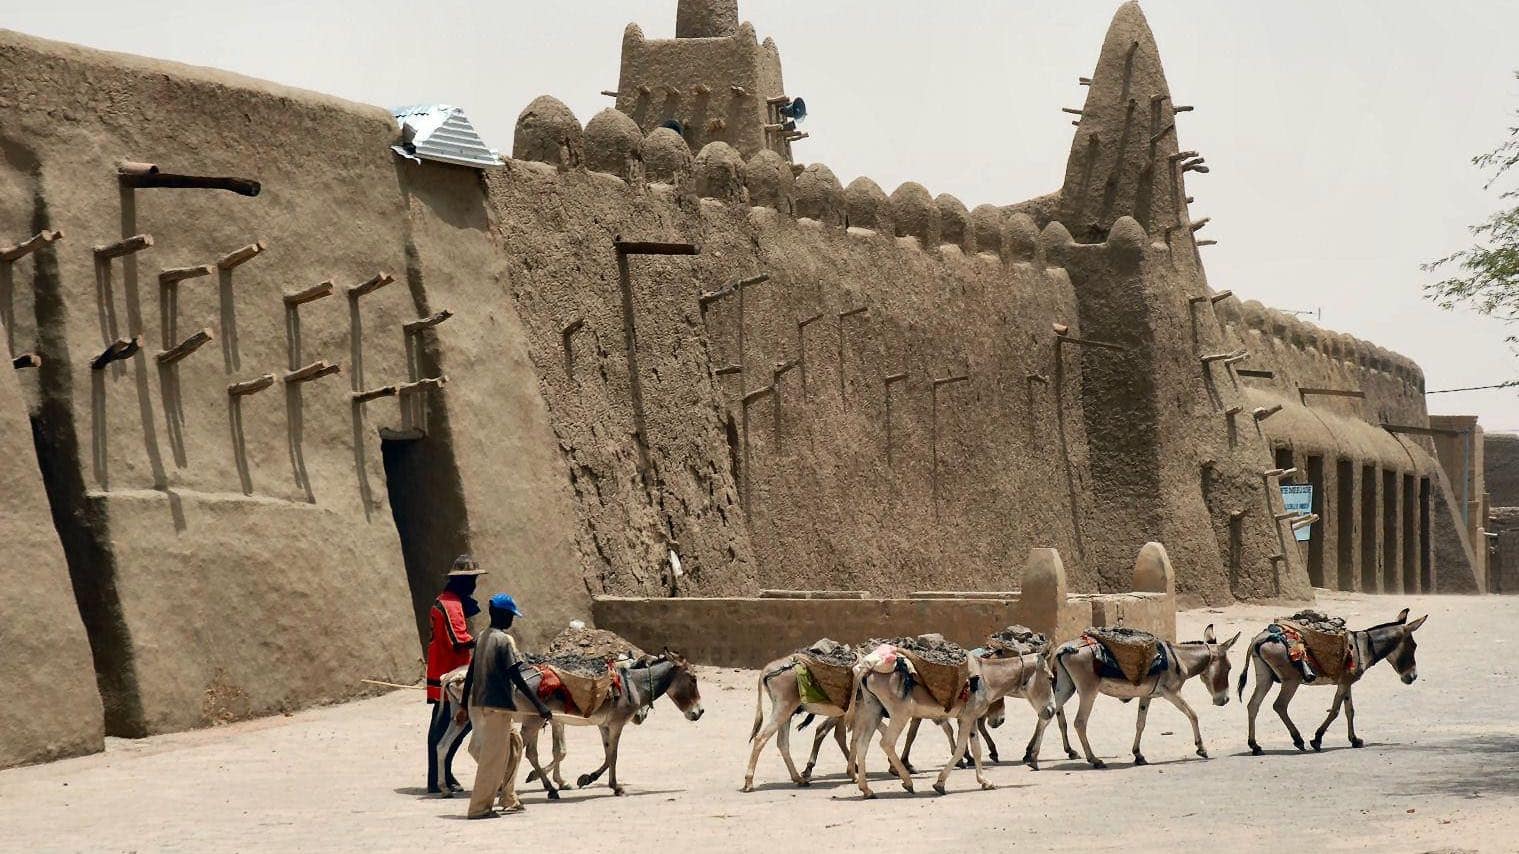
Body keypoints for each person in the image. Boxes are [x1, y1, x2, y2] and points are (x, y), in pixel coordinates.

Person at [459, 593, 552, 818]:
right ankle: (479, 808)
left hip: (484, 704)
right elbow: (516, 675)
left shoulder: (482, 636)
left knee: (515, 744)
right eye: (510, 615)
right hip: (498, 707)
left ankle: (508, 797)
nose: (511, 620)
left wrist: (463, 705)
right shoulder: (504, 640)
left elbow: (471, 672)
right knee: (492, 759)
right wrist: (539, 705)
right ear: (501, 614)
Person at [425, 555, 485, 795]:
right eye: (472, 580)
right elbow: (458, 640)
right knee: (453, 724)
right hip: (448, 673)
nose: (474, 585)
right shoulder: (451, 605)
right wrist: (484, 641)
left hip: (442, 668)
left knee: (445, 725)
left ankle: (442, 772)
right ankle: (437, 776)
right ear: (463, 582)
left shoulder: (446, 600)